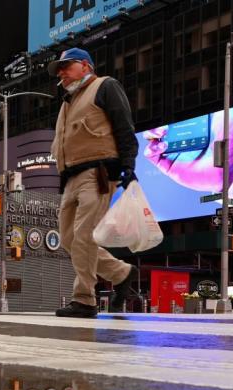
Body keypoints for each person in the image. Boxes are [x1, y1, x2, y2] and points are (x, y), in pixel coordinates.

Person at [48, 48, 138, 318]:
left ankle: (85, 300)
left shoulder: (105, 86)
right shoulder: (67, 102)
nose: (62, 73)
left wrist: (128, 166)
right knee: (68, 239)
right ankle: (121, 273)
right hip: (71, 177)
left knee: (84, 236)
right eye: (59, 69)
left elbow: (124, 125)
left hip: (97, 173)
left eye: (67, 66)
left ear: (85, 66)